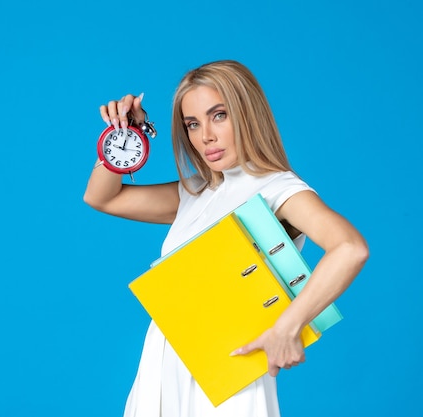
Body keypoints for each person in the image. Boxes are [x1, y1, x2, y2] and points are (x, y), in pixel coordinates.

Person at [83, 60, 369, 417]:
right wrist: (123, 134)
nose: (206, 136)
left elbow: (350, 248)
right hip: (160, 369)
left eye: (219, 116)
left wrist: (288, 326)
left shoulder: (278, 188)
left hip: (226, 382)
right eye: (192, 124)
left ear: (246, 114)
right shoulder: (196, 192)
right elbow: (102, 197)